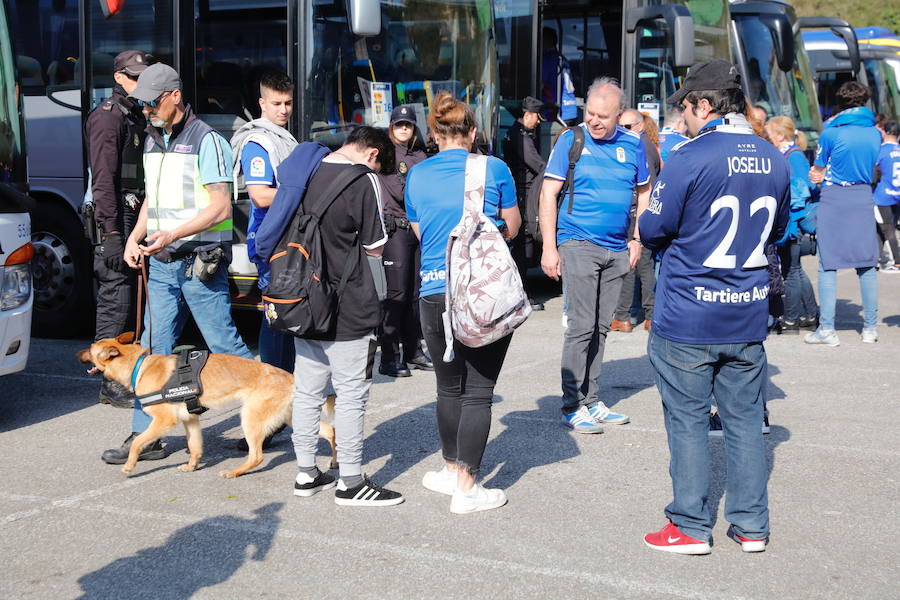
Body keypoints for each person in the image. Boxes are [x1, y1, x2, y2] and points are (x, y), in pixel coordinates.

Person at [638, 59, 790, 554]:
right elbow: (778, 232)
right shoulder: (774, 157)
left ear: (705, 105)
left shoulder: (688, 155)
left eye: (685, 107)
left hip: (689, 311)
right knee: (745, 421)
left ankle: (690, 525)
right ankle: (751, 525)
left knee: (687, 420)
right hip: (747, 310)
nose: (681, 117)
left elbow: (653, 229)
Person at [102, 63, 254, 465]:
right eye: (143, 104)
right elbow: (155, 200)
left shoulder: (208, 141)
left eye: (152, 103)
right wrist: (136, 236)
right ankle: (145, 435)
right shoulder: (153, 138)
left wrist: (173, 234)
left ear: (174, 96)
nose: (147, 110)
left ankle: (266, 419)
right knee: (152, 350)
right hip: (164, 262)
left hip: (199, 263)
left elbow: (221, 204)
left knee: (225, 347)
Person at [405, 93, 521, 513]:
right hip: (479, 292)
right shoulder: (496, 168)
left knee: (446, 387)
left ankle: (450, 470)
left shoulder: (416, 175)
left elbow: (421, 232)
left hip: (434, 291)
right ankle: (468, 489)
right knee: (478, 393)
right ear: (473, 132)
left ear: (434, 136)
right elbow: (512, 225)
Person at [286, 126, 404, 507]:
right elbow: (375, 243)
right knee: (351, 393)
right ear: (372, 155)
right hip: (349, 299)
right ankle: (350, 480)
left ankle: (306, 472)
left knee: (308, 390)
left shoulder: (308, 168)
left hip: (304, 295)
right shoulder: (364, 179)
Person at [538, 77, 650, 434]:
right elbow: (548, 193)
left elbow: (645, 192)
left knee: (601, 328)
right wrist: (549, 246)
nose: (595, 121)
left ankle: (591, 399)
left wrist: (637, 239)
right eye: (590, 113)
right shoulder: (571, 139)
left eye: (604, 115)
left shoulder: (634, 144)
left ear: (621, 114)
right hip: (578, 243)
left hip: (618, 248)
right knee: (581, 327)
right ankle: (571, 405)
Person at [85, 50, 151, 408]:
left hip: (133, 213)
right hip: (115, 218)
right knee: (117, 298)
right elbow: (104, 181)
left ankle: (128, 376)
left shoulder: (136, 113)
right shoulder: (108, 118)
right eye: (134, 76)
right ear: (118, 77)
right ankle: (110, 383)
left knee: (132, 299)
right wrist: (110, 233)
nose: (140, 82)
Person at [231, 70, 298, 374]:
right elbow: (259, 195)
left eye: (287, 103)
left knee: (287, 314)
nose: (283, 110)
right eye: (276, 103)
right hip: (270, 240)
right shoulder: (258, 142)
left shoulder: (283, 137)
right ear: (262, 103)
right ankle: (272, 383)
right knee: (275, 316)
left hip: (286, 236)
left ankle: (285, 387)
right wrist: (303, 193)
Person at [805, 81, 882, 346]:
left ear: (840, 103)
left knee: (828, 263)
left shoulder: (831, 132)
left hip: (835, 197)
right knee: (866, 263)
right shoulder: (875, 133)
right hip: (862, 195)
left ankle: (827, 329)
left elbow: (818, 168)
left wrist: (818, 175)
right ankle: (870, 328)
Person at [378, 104, 433, 378]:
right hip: (396, 230)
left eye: (407, 124)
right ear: (391, 126)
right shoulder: (387, 154)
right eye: (398, 124)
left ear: (414, 128)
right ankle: (389, 356)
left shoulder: (421, 155)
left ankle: (413, 351)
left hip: (416, 230)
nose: (403, 128)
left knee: (414, 295)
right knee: (396, 295)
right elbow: (401, 192)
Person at [765, 116, 819, 332]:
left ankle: (792, 318)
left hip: (792, 221)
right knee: (795, 268)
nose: (767, 138)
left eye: (769, 133)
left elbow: (801, 188)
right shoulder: (790, 154)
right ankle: (810, 314)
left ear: (779, 135)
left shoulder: (793, 156)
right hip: (791, 219)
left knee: (791, 270)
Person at [611, 108, 659, 333]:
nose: (622, 131)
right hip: (641, 211)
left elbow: (645, 185)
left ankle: (624, 316)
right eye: (620, 127)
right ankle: (650, 316)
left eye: (627, 127)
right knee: (644, 265)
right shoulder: (646, 144)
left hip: (636, 212)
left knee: (632, 264)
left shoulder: (640, 145)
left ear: (639, 126)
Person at [502, 95, 547, 311]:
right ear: (527, 115)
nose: (538, 122)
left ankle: (523, 292)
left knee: (523, 247)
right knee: (523, 247)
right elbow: (538, 165)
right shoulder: (520, 137)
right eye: (536, 117)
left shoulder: (519, 134)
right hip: (523, 195)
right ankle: (522, 294)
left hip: (523, 193)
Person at [873, 120, 900, 271]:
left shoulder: (881, 151)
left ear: (884, 133)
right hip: (898, 194)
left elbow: (873, 173)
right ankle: (876, 257)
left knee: (887, 228)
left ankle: (896, 261)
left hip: (882, 195)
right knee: (882, 227)